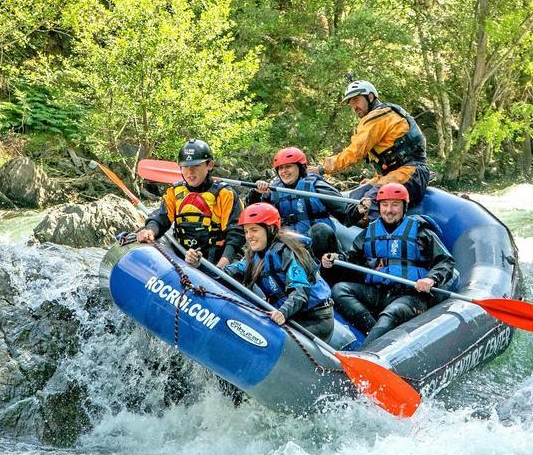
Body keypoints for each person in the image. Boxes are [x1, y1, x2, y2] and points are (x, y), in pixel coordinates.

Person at [321, 183, 454, 345]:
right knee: (339, 290)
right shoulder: (371, 231)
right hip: (380, 292)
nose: (389, 210)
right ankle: (373, 332)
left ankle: (367, 352)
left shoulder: (421, 231)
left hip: (411, 295)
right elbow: (352, 257)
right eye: (384, 205)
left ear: (404, 207)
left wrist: (431, 279)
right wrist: (334, 258)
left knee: (392, 313)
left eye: (395, 205)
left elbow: (445, 261)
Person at [186, 203, 334, 341]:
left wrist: (283, 312)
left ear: (270, 229)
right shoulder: (253, 257)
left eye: (254, 230)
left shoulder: (287, 252)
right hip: (290, 316)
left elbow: (301, 292)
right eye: (246, 231)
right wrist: (199, 264)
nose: (249, 236)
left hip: (314, 319)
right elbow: (225, 275)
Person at [316, 77, 431, 209]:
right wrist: (374, 181)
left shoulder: (378, 117)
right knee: (353, 200)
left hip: (411, 174)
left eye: (356, 100)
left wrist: (322, 169)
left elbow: (354, 153)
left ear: (370, 97)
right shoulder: (385, 113)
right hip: (399, 174)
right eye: (350, 103)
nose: (354, 106)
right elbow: (389, 160)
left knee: (366, 206)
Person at [135, 139, 244, 266]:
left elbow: (236, 233)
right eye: (185, 166)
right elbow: (161, 217)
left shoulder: (225, 194)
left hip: (217, 261)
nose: (190, 172)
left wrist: (222, 266)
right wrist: (150, 231)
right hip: (183, 258)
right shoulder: (175, 192)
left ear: (209, 165)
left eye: (196, 165)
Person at [248, 146, 367, 258]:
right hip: (288, 246)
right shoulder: (271, 192)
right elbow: (253, 219)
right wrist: (257, 194)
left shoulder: (317, 186)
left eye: (288, 166)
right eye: (281, 168)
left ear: (300, 168)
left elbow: (345, 214)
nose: (284, 171)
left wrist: (358, 210)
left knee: (320, 230)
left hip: (316, 246)